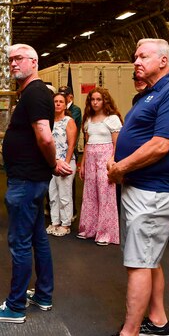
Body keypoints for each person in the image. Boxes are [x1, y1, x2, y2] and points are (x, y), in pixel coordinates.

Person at [87, 38, 169, 336]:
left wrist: (121, 167)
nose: (136, 61)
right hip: (143, 189)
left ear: (164, 60)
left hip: (154, 192)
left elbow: (161, 145)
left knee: (138, 263)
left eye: (143, 56)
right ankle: (158, 322)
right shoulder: (151, 93)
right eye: (135, 56)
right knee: (150, 259)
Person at [0, 43, 72, 323]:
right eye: (10, 60)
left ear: (34, 62)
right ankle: (43, 295)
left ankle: (15, 306)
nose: (13, 64)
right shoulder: (33, 93)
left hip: (26, 180)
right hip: (30, 178)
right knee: (37, 238)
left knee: (20, 242)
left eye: (19, 58)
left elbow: (44, 137)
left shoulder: (34, 93)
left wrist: (53, 161)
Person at [78, 87, 122, 245]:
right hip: (90, 158)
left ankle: (106, 233)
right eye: (93, 99)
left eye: (99, 99)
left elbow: (118, 144)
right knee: (89, 194)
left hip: (105, 158)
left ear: (105, 101)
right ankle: (88, 229)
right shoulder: (88, 119)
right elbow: (87, 144)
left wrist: (112, 161)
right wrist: (82, 165)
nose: (95, 102)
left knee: (105, 195)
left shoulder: (113, 119)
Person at [47, 92, 77, 236]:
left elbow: (71, 145)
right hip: (51, 163)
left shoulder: (69, 121)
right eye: (55, 101)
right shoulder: (49, 122)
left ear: (65, 105)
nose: (58, 104)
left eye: (61, 102)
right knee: (52, 194)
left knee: (65, 195)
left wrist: (66, 163)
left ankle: (65, 224)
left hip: (66, 162)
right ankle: (55, 222)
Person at [58, 85, 82, 216]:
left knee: (68, 184)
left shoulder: (75, 110)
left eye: (64, 96)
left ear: (70, 96)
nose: (61, 98)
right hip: (58, 151)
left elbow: (70, 123)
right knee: (56, 184)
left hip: (70, 150)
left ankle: (71, 213)